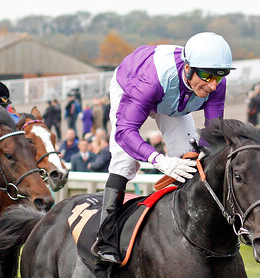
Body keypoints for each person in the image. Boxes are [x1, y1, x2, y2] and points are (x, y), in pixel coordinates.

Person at [92, 32, 234, 265]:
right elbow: (125, 131)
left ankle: (185, 235)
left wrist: (201, 158)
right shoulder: (150, 80)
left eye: (220, 76)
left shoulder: (216, 85)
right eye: (207, 76)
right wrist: (159, 160)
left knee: (189, 160)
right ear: (188, 67)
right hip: (134, 85)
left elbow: (213, 134)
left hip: (172, 99)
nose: (212, 85)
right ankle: (105, 240)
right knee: (125, 161)